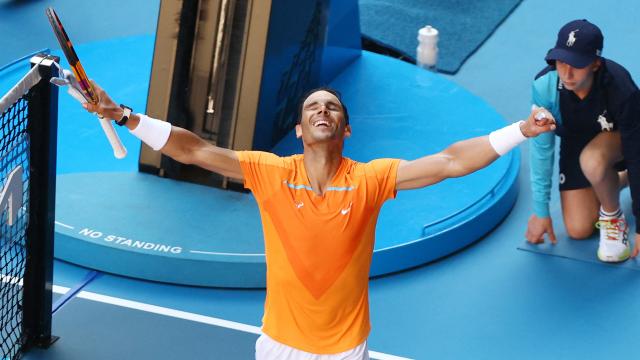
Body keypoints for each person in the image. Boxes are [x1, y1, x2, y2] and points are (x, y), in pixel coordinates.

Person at [81, 84, 553, 359]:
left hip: (344, 349)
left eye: (332, 108)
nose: (322, 111)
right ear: (300, 131)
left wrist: (521, 130)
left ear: (345, 129)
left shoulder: (371, 179)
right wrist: (123, 114)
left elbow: (451, 162)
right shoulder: (271, 173)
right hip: (279, 344)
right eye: (313, 108)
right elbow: (196, 150)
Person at [525, 19, 640, 262]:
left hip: (621, 142)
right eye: (561, 61)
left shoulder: (621, 88)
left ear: (595, 63)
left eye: (577, 65)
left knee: (593, 160)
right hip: (577, 144)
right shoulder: (545, 87)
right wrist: (541, 211)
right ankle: (617, 180)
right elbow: (541, 149)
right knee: (578, 229)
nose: (566, 72)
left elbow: (635, 151)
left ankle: (612, 217)